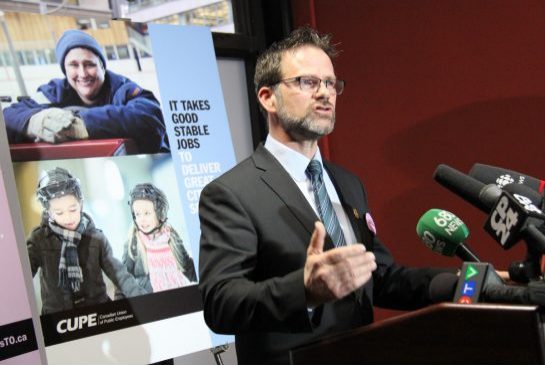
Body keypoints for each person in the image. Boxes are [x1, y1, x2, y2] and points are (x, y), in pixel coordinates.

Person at [198, 26, 456, 365]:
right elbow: (222, 303)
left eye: (331, 83)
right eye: (307, 82)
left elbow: (378, 276)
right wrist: (303, 291)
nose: (325, 94)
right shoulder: (231, 193)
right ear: (267, 97)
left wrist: (457, 284)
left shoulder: (348, 183)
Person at [3, 29, 168, 154]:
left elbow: (150, 117)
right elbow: (8, 116)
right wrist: (33, 122)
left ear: (102, 66)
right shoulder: (53, 92)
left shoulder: (122, 89)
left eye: (89, 64)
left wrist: (82, 126)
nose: (82, 74)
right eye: (74, 65)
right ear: (65, 70)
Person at [27, 167, 146, 314]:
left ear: (80, 204)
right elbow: (21, 275)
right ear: (48, 212)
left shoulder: (96, 238)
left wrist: (141, 298)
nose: (68, 217)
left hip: (99, 312)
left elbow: (119, 273)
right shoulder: (40, 240)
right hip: (58, 321)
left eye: (73, 209)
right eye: (59, 212)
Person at [116, 183, 197, 298]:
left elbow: (188, 268)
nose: (141, 219)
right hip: (148, 304)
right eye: (137, 214)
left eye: (147, 213)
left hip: (177, 300)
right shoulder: (133, 243)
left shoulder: (171, 237)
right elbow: (123, 279)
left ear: (159, 213)